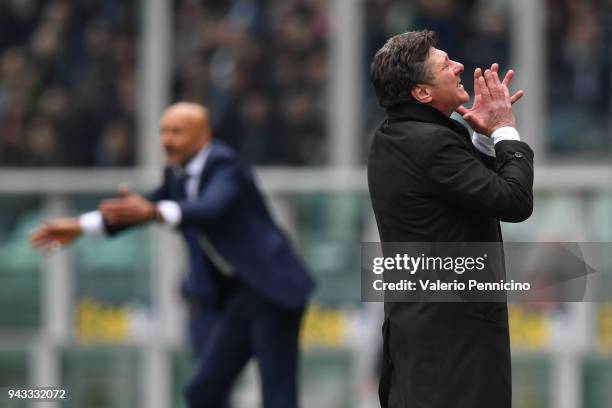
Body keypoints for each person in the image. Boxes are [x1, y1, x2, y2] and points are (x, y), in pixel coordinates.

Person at [30, 102, 315, 408]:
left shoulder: (224, 165)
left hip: (273, 290)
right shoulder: (176, 172)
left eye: (177, 132)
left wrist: (153, 212)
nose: (167, 139)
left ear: (203, 137)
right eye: (163, 131)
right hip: (240, 294)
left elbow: (210, 208)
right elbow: (144, 208)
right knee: (202, 392)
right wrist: (82, 225)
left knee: (278, 394)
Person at [367, 30, 534, 408]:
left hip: (420, 338)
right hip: (454, 347)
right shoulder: (432, 144)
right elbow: (513, 201)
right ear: (423, 93)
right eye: (445, 65)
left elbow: (466, 194)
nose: (458, 66)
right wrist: (505, 128)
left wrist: (482, 140)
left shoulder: (392, 137)